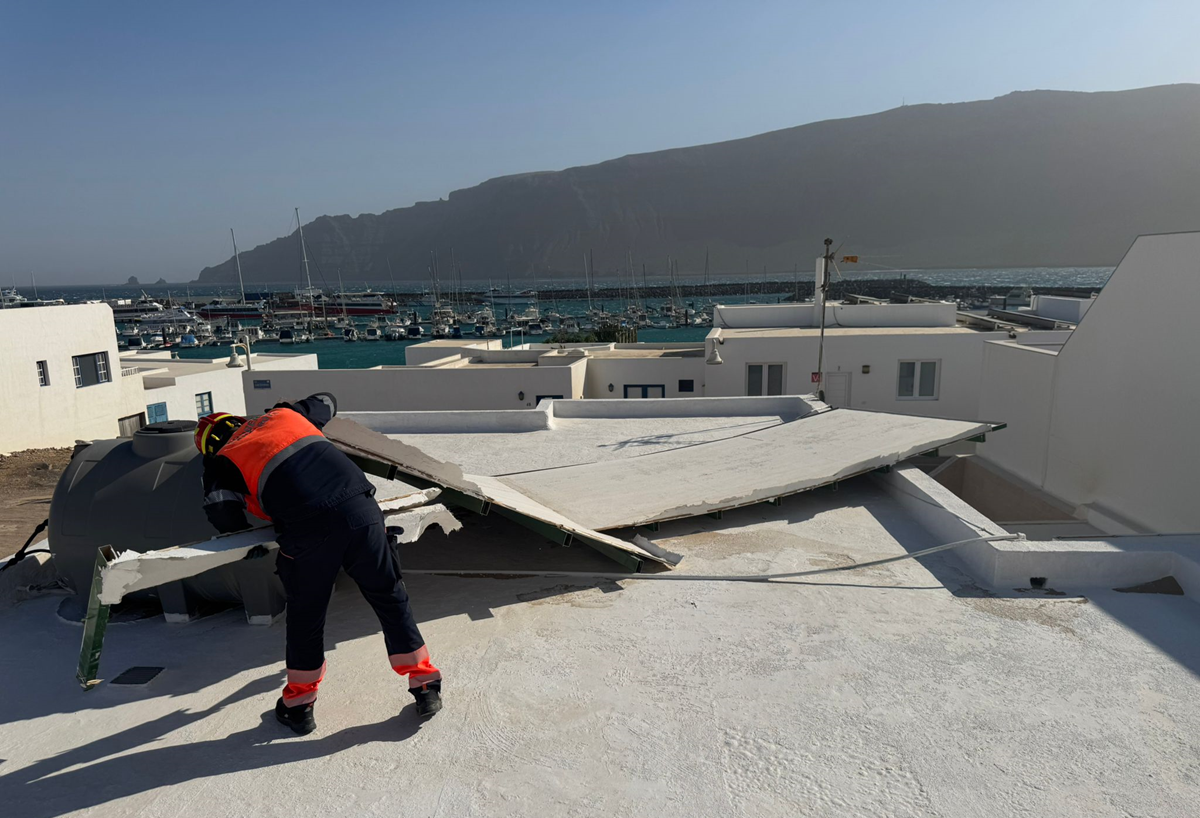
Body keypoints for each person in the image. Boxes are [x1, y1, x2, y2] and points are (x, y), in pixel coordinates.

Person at [196, 392, 442, 735]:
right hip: (361, 511)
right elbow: (328, 400)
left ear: (209, 446)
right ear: (237, 421)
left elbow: (222, 512)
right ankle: (425, 685)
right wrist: (288, 413)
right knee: (389, 596)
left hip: (307, 530)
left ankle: (298, 707)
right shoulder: (282, 416)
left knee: (306, 618)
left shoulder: (220, 461)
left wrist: (240, 537)